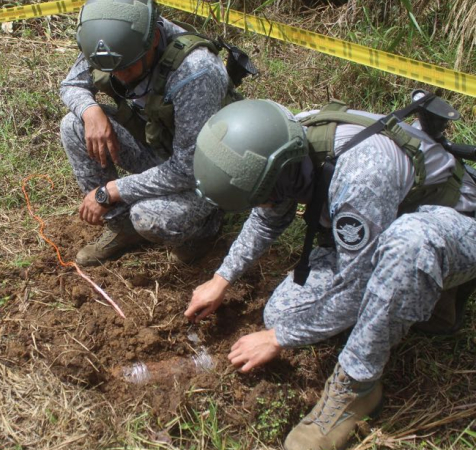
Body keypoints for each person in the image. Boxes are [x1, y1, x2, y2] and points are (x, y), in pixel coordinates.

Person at [184, 97, 476, 450]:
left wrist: (278, 339)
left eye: (260, 197)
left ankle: (357, 387)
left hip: (455, 224)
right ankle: (409, 299)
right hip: (386, 215)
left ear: (279, 175)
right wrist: (221, 279)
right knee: (282, 313)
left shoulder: (360, 174)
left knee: (407, 247)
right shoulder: (284, 145)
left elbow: (358, 285)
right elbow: (268, 214)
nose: (260, 206)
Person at [59, 0, 243, 266]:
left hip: (208, 171)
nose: (119, 76)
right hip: (160, 147)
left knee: (149, 218)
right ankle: (123, 228)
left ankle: (205, 227)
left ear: (154, 40)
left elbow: (190, 168)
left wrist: (111, 191)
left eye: (127, 67)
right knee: (73, 125)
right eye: (112, 69)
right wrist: (90, 111)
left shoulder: (195, 69)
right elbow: (71, 84)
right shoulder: (110, 43)